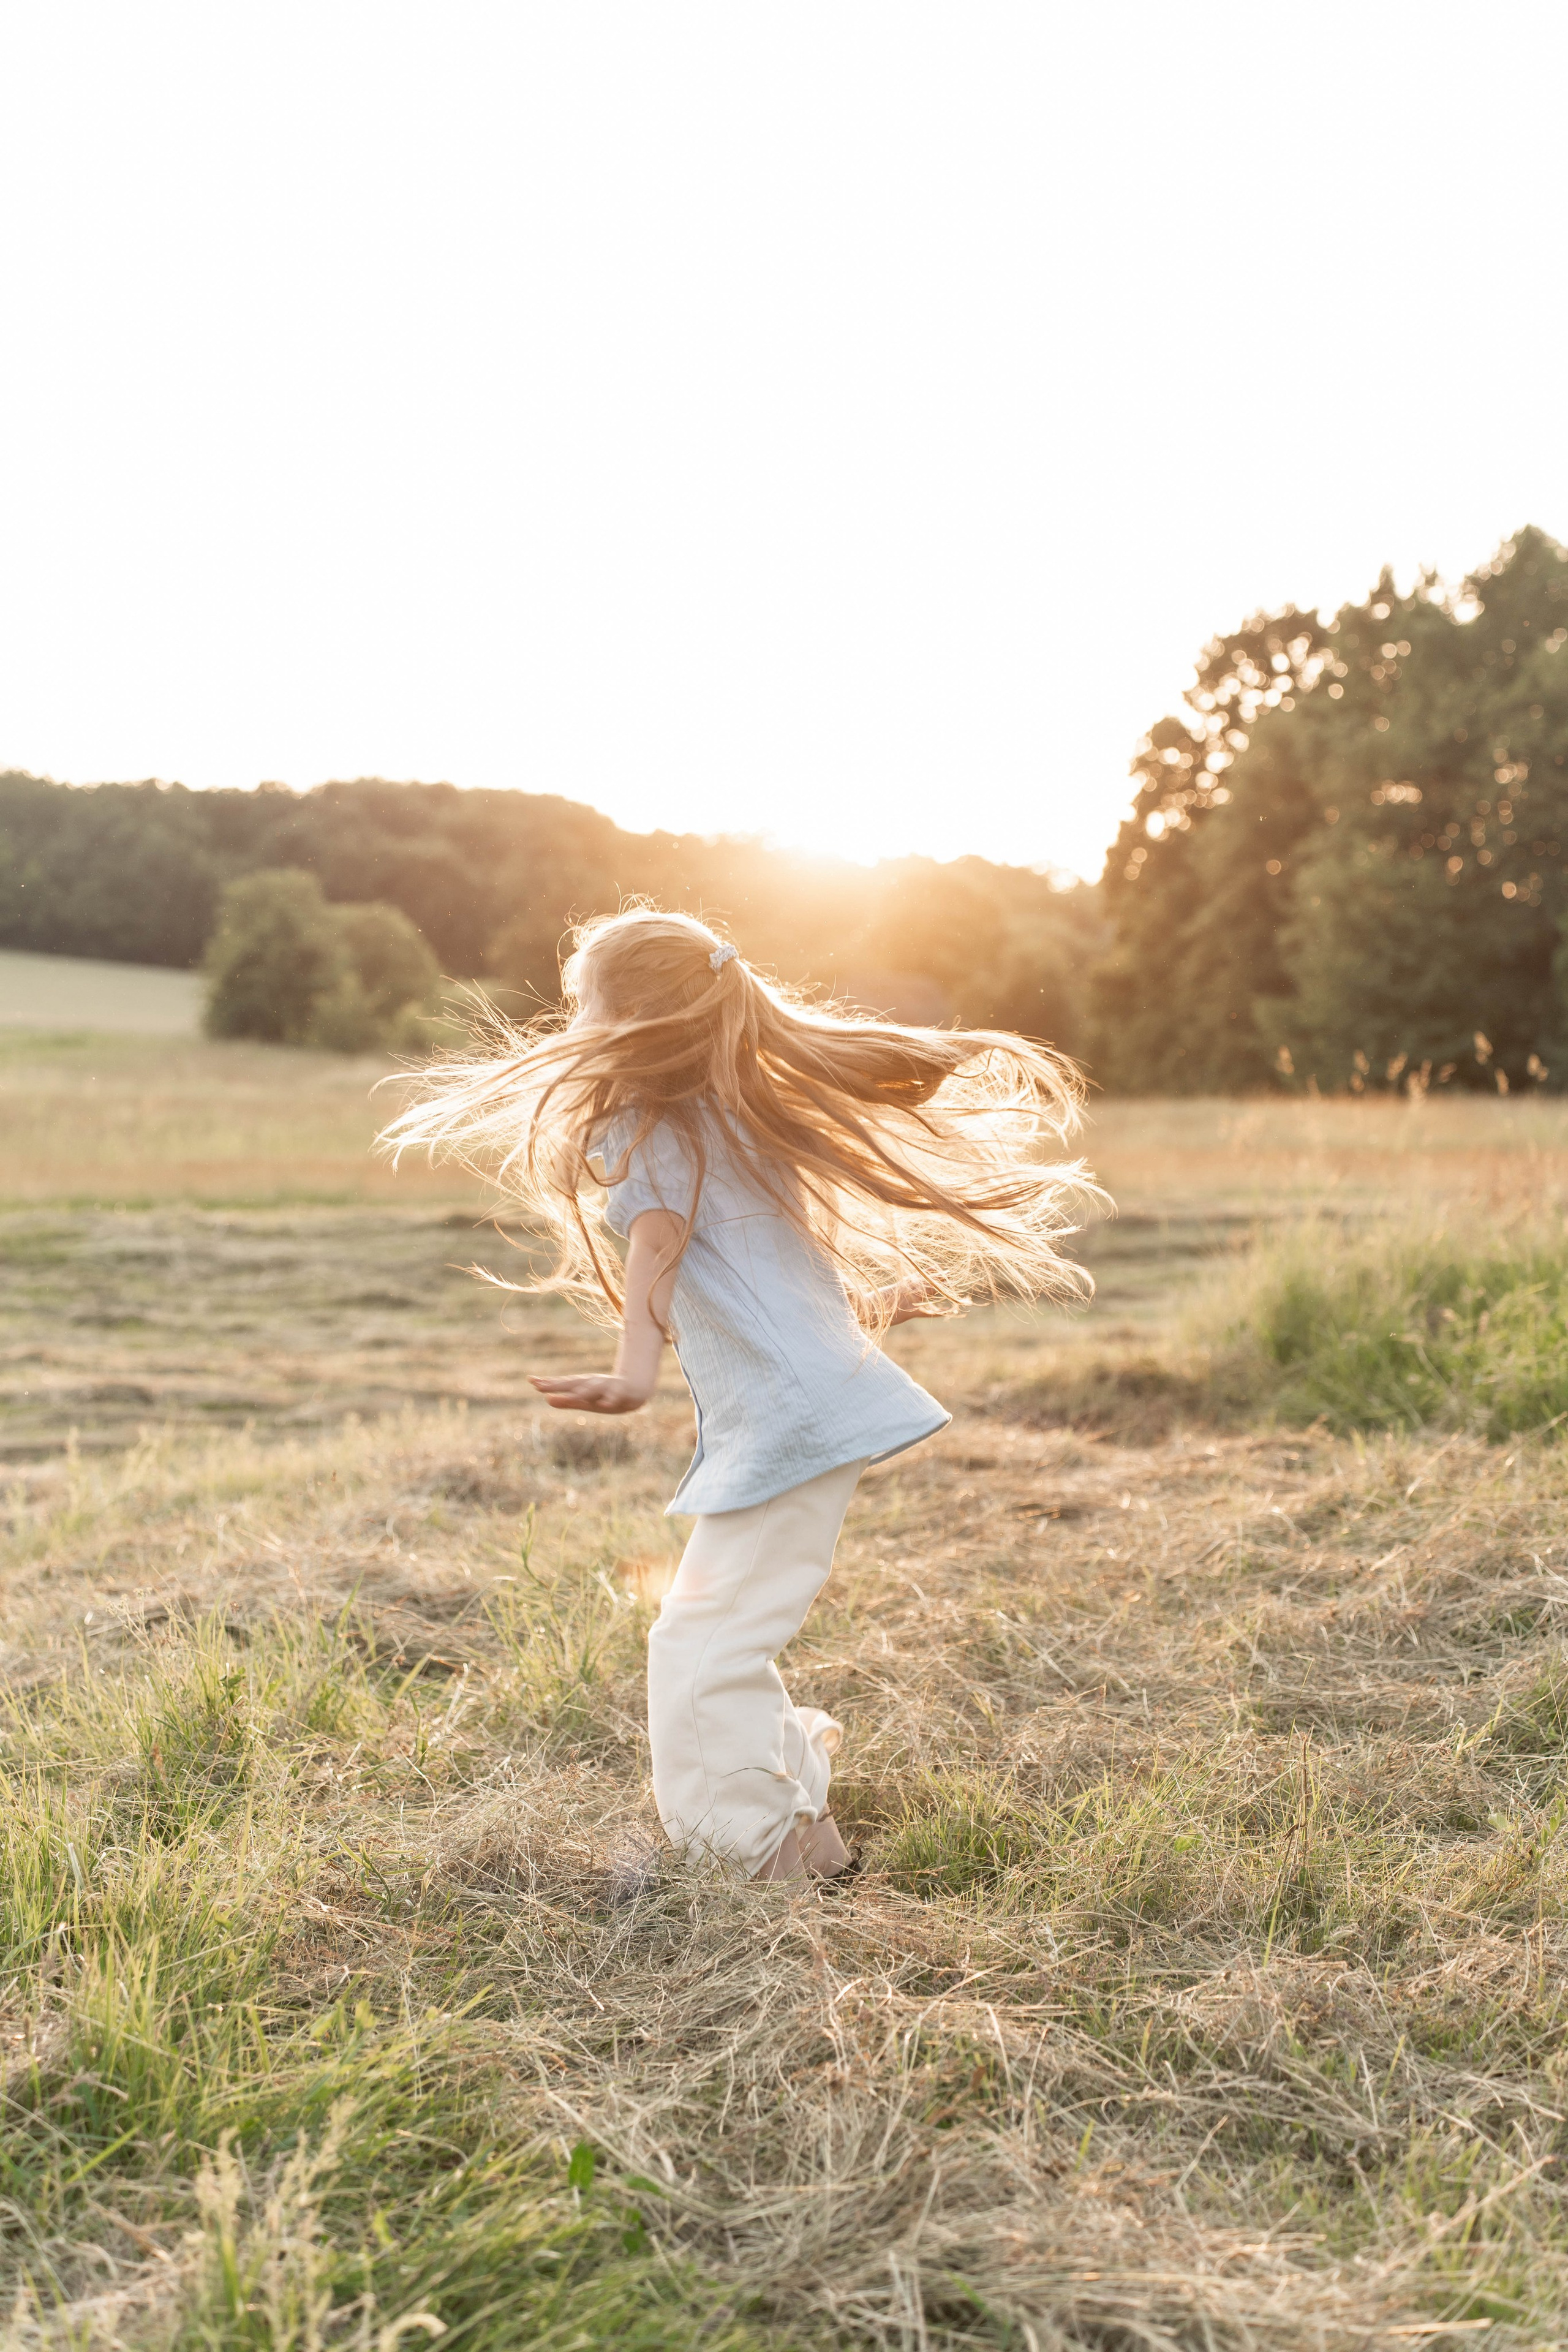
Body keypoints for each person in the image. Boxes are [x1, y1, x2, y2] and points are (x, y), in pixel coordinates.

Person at [382, 907, 1095, 1883]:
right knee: (718, 1639)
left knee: (700, 1648)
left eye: (582, 1004)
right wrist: (869, 1309)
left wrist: (635, 1372)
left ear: (634, 1018)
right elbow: (772, 1279)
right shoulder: (732, 1120)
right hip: (801, 1410)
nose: (574, 1025)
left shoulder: (653, 1130)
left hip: (790, 1424)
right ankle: (810, 1849)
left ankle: (745, 1858)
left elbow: (659, 1242)